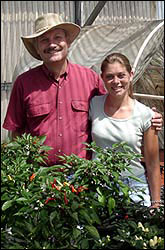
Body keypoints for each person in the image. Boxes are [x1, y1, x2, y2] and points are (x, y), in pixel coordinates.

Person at [3, 13, 162, 167]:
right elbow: (15, 132)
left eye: (58, 37)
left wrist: (147, 115)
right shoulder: (24, 83)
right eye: (44, 40)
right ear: (37, 48)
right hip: (39, 177)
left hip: (81, 178)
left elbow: (114, 109)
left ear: (68, 42)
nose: (52, 44)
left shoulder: (89, 79)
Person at [89, 52, 161, 208]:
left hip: (133, 188)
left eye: (121, 75)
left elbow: (153, 164)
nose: (116, 82)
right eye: (110, 76)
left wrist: (156, 204)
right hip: (99, 187)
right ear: (102, 78)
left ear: (131, 74)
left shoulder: (145, 115)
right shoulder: (94, 104)